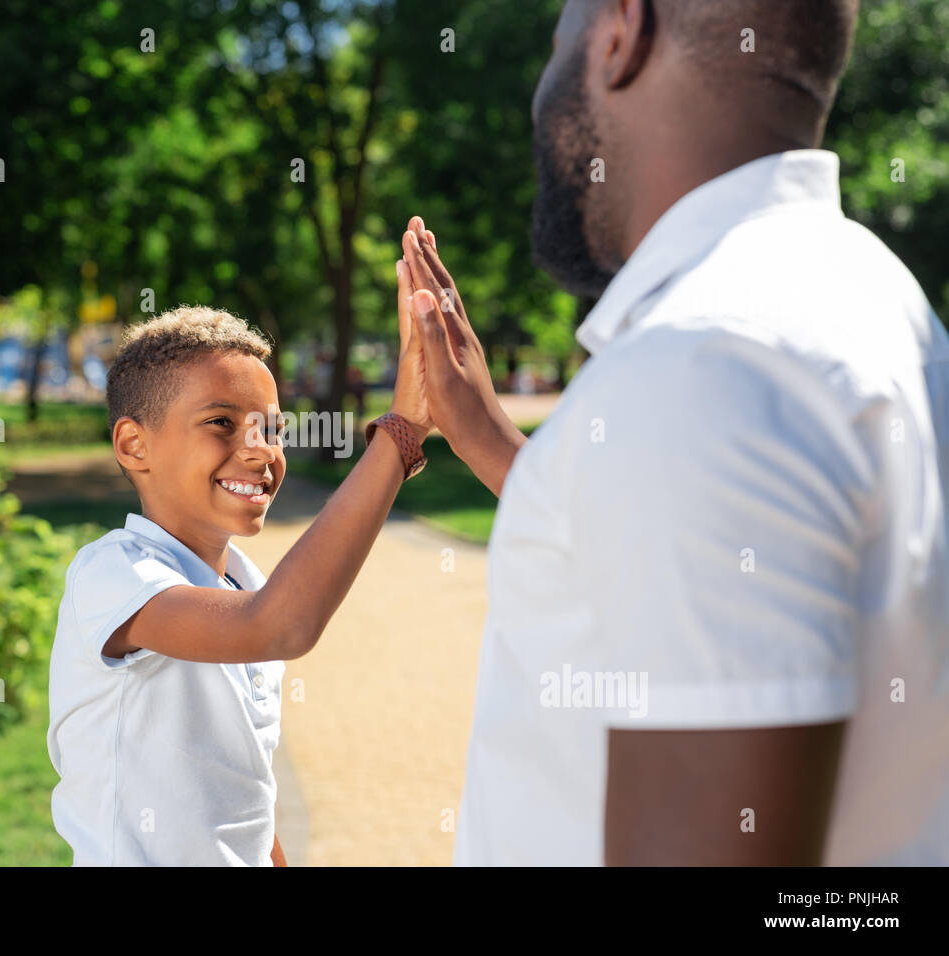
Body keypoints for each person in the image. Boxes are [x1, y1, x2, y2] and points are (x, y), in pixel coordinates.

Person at [402, 0, 949, 865]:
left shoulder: (701, 363)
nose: (541, 94)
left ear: (620, 32)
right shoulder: (881, 300)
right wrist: (492, 442)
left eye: (556, 46)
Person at [46, 303, 432, 865]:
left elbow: (245, 796)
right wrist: (401, 433)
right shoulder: (112, 573)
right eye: (221, 423)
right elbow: (281, 625)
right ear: (134, 444)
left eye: (271, 429)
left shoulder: (245, 586)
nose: (260, 451)